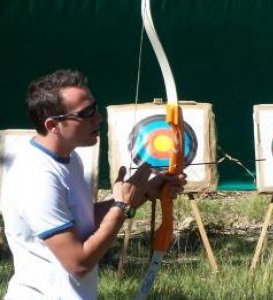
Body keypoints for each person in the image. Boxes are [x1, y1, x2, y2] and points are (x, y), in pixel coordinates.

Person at [1, 69, 186, 299]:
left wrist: (143, 193)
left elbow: (81, 221)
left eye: (95, 107)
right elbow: (78, 263)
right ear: (52, 125)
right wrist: (121, 207)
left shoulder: (69, 158)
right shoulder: (37, 177)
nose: (98, 118)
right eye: (85, 113)